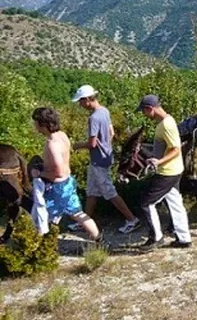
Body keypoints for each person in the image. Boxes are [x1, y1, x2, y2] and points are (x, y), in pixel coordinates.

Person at [69, 85, 140, 234]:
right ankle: (85, 222)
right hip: (105, 157)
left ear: (88, 99)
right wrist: (106, 145)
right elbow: (111, 132)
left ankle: (132, 219)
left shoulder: (93, 117)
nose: (80, 105)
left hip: (98, 160)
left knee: (109, 192)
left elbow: (92, 143)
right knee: (92, 192)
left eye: (81, 102)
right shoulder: (105, 111)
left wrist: (75, 146)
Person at [30, 107, 103, 242]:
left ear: (42, 123)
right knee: (77, 213)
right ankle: (99, 240)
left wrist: (39, 173)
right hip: (68, 182)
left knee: (42, 215)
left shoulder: (52, 144)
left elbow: (58, 171)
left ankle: (41, 249)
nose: (34, 126)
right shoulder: (62, 135)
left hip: (57, 187)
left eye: (35, 122)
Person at [137, 95, 192, 250]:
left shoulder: (166, 125)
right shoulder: (166, 121)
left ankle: (156, 238)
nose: (144, 114)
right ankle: (184, 238)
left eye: (144, 111)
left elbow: (176, 149)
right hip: (175, 170)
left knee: (146, 203)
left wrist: (158, 162)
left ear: (150, 108)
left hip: (168, 172)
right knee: (175, 203)